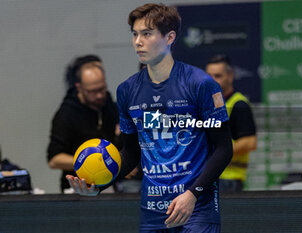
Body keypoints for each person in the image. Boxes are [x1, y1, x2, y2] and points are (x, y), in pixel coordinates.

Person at [66, 3, 233, 232]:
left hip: (196, 210)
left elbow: (224, 149)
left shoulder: (200, 84)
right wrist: (101, 185)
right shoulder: (127, 91)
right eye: (135, 34)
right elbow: (131, 152)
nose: (138, 41)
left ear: (170, 37)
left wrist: (194, 194)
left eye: (147, 34)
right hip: (153, 211)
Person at [47, 55, 121, 193]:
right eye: (92, 91)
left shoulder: (107, 102)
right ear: (79, 87)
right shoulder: (66, 114)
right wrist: (88, 161)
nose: (99, 95)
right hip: (76, 188)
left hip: (107, 183)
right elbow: (54, 159)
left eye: (102, 88)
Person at [206, 54, 257, 192]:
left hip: (228, 180)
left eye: (218, 76)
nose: (212, 80)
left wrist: (215, 154)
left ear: (230, 76)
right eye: (209, 76)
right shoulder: (210, 105)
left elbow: (250, 142)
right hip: (207, 177)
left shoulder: (239, 104)